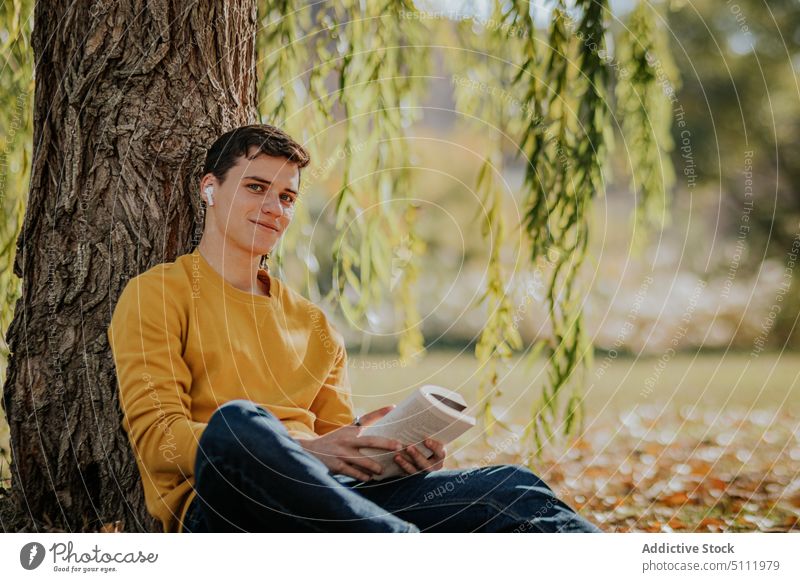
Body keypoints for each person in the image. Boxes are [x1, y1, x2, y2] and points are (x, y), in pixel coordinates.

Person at [107, 124, 601, 533]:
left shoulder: (314, 324)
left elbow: (338, 448)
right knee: (239, 424)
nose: (274, 208)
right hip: (228, 508)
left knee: (511, 488)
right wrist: (303, 449)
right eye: (256, 187)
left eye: (286, 197)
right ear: (210, 188)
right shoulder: (158, 294)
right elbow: (161, 441)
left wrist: (389, 452)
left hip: (334, 506)